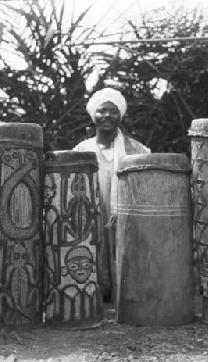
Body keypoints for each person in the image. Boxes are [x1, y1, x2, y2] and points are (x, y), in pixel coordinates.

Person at [73, 87, 150, 302]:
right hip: (91, 217)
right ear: (93, 115)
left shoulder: (138, 151)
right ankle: (96, 292)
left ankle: (125, 293)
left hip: (125, 217)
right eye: (102, 110)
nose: (107, 115)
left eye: (113, 111)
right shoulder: (81, 151)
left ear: (121, 116)